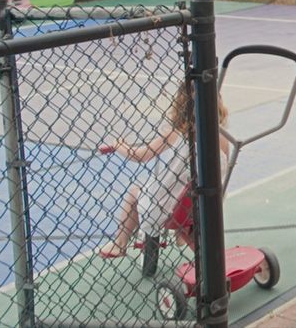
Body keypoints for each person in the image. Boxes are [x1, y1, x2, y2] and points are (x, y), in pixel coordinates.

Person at [98, 87, 230, 259]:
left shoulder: (176, 135)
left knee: (134, 193)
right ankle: (207, 257)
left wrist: (119, 144)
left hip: (171, 207)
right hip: (206, 202)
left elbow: (140, 156)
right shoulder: (223, 138)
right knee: (185, 186)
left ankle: (120, 243)